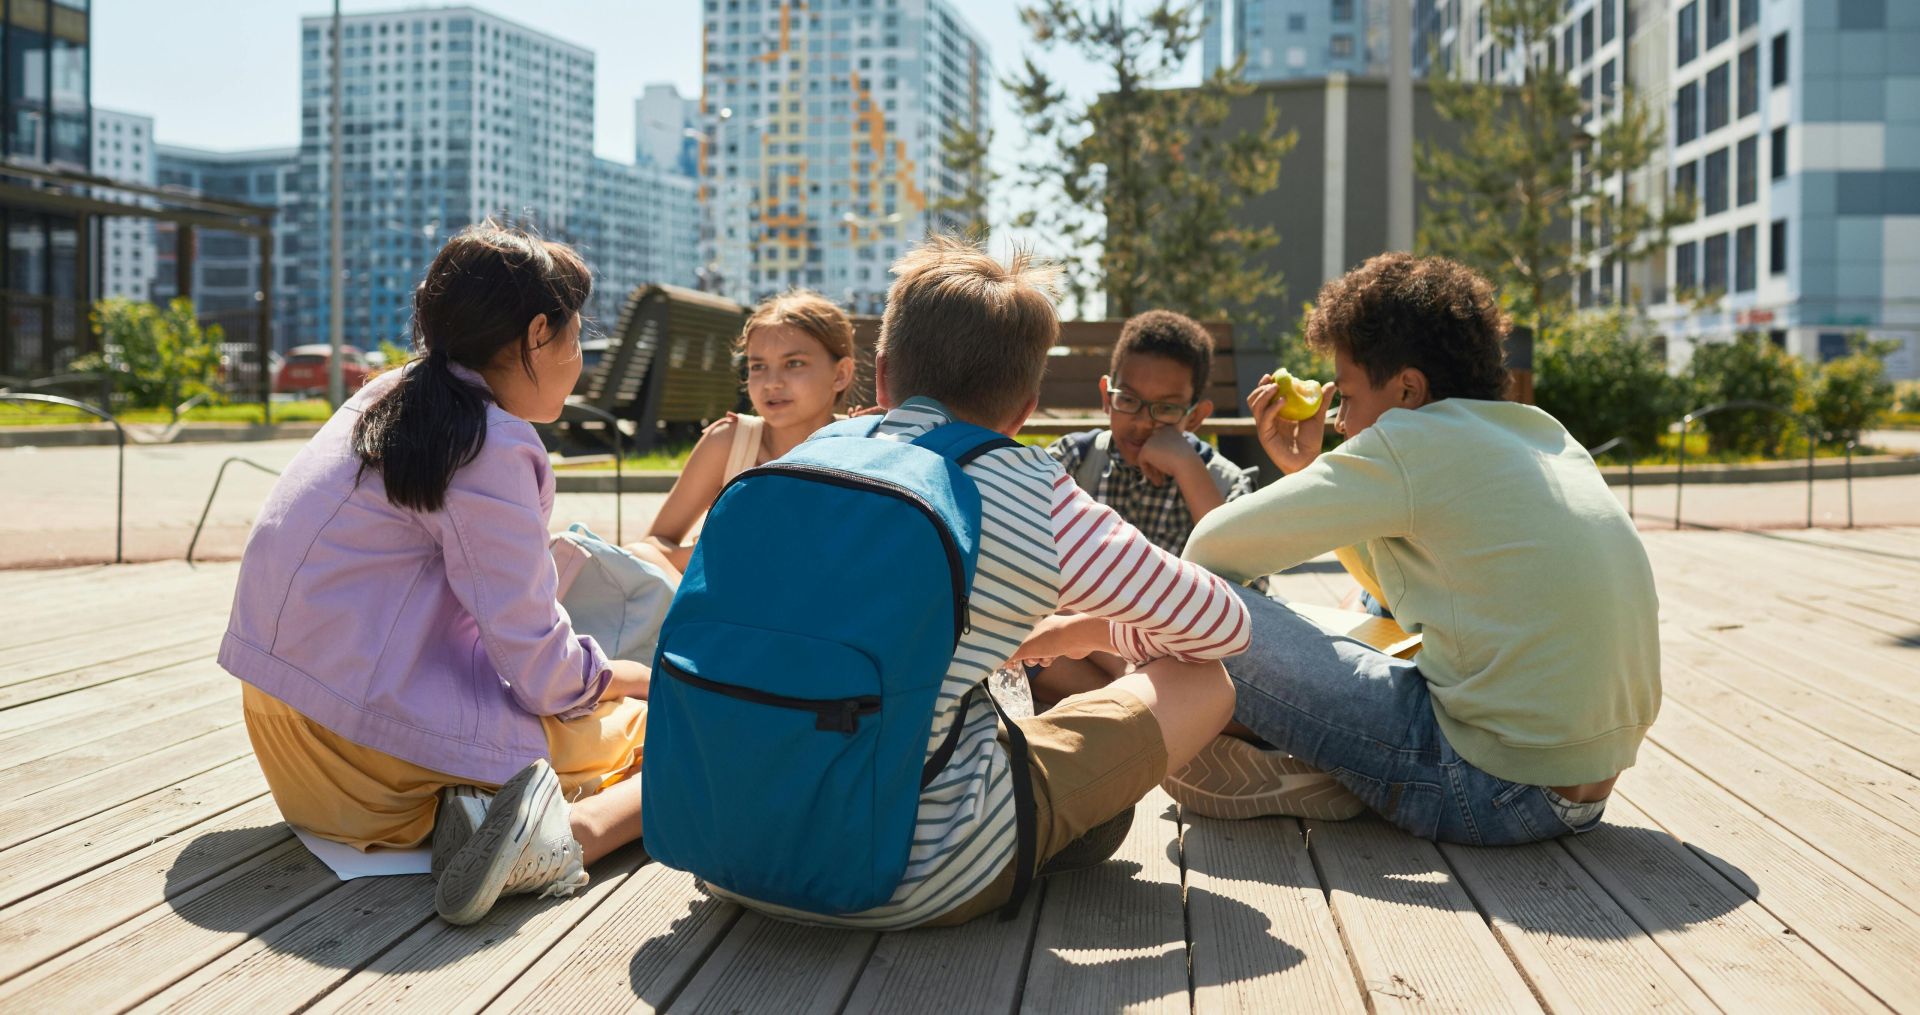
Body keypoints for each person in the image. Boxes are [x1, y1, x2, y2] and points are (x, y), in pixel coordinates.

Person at [670, 235, 1250, 930]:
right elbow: (1224, 625)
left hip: (727, 847)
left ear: (881, 376)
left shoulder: (811, 453)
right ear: (1024, 409)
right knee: (1203, 679)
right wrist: (1097, 630)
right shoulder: (1034, 490)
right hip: (906, 875)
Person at [220, 223, 650, 925]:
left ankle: (475, 806)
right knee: (664, 729)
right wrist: (626, 676)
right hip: (367, 755)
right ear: (538, 334)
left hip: (286, 733)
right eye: (576, 339)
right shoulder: (491, 441)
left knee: (582, 703)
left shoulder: (389, 398)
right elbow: (541, 665)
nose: (581, 364)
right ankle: (564, 833)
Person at [1180, 253, 1661, 845]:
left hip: (1485, 788)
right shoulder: (1540, 432)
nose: (1340, 423)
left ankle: (1314, 759)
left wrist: (1318, 474)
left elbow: (1207, 552)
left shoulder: (1411, 440)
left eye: (1348, 397)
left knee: (1188, 603)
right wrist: (1309, 471)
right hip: (1584, 789)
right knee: (1378, 594)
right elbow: (1401, 590)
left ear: (1408, 389)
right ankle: (1322, 763)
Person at [1033, 309, 1259, 707]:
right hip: (1089, 654)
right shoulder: (1073, 459)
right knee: (1035, 632)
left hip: (1181, 656)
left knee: (1236, 682)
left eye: (1166, 409)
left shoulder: (1226, 482)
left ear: (1196, 416)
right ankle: (1143, 706)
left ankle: (1135, 709)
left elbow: (1245, 601)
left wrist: (1188, 468)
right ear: (1107, 396)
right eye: (1130, 401)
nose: (1142, 422)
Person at [632, 290, 856, 576]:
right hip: (732, 615)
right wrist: (716, 549)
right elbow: (651, 546)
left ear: (841, 374)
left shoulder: (863, 445)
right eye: (758, 366)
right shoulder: (729, 442)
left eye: (794, 363)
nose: (772, 383)